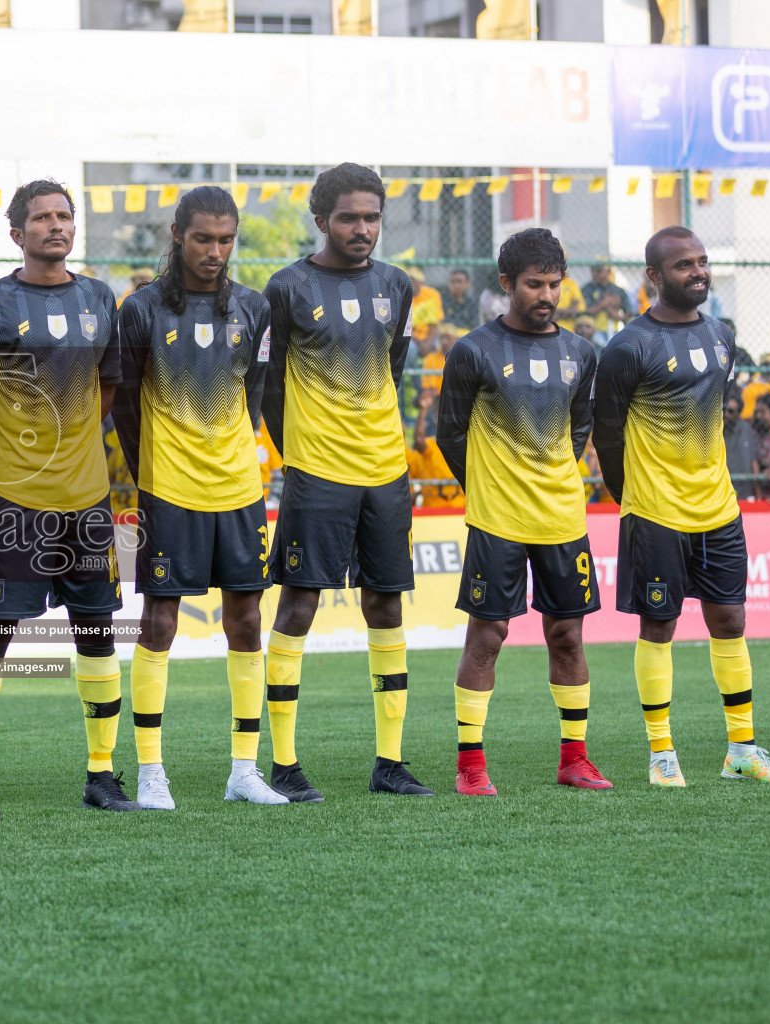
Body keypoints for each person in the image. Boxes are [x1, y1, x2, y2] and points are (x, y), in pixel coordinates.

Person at [0, 178, 135, 817]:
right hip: (15, 499)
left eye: (65, 216)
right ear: (16, 233)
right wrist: (6, 446)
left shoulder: (98, 298)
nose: (56, 226)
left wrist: (74, 440)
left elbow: (107, 387)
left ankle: (102, 775)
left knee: (96, 630)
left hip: (86, 499)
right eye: (43, 218)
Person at [262, 162, 432, 801]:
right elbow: (269, 387)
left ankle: (390, 762)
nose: (363, 229)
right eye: (349, 218)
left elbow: (392, 367)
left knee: (386, 606)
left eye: (372, 218)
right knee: (299, 606)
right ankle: (284, 762)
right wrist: (301, 452)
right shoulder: (286, 287)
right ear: (321, 220)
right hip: (318, 475)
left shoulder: (397, 284)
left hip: (387, 474)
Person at [110, 186, 281, 811]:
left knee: (247, 621)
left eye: (226, 239)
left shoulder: (254, 309)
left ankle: (244, 768)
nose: (215, 250)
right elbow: (124, 403)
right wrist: (148, 468)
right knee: (159, 622)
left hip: (238, 488)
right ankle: (152, 771)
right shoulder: (142, 309)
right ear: (177, 234)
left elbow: (255, 393)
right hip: (168, 490)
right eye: (203, 237)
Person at [593, 226, 770, 787]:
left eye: (701, 263)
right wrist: (634, 498)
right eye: (683, 266)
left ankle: (742, 749)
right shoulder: (629, 346)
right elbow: (607, 436)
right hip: (655, 513)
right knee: (660, 625)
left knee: (730, 620)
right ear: (653, 276)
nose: (697, 272)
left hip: (720, 509)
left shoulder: (723, 336)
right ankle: (661, 753)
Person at [436, 228, 610, 796]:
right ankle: (470, 764)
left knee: (568, 637)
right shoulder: (473, 350)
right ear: (507, 284)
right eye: (535, 284)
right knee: (487, 637)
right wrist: (488, 487)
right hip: (498, 521)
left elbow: (579, 427)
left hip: (563, 518)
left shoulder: (580, 352)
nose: (547, 295)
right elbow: (450, 434)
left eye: (555, 284)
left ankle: (575, 758)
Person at [406, 388, 463, 509]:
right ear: (435, 419)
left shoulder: (465, 444)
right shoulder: (432, 445)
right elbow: (419, 441)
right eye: (441, 414)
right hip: (434, 512)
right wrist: (424, 409)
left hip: (461, 512)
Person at [582, 262, 632, 335]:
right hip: (593, 331)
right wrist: (603, 304)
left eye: (599, 271)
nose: (595, 274)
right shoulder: (587, 289)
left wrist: (618, 316)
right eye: (593, 270)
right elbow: (584, 312)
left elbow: (628, 312)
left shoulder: (618, 290)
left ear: (608, 272)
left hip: (614, 329)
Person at [724, 391, 756, 500]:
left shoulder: (746, 430)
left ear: (738, 413)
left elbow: (752, 459)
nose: (726, 414)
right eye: (724, 410)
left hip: (743, 488)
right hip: (722, 487)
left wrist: (757, 490)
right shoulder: (715, 429)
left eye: (731, 411)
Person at [751, 393, 770, 501]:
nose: (758, 416)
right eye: (756, 412)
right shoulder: (757, 436)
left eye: (762, 412)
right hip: (763, 490)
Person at [406, 266, 444, 342]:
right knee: (410, 348)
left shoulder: (431, 294)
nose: (411, 283)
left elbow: (436, 323)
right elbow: (405, 328)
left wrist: (428, 343)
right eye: (409, 280)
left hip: (430, 336)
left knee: (439, 344)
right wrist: (420, 343)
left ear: (421, 282)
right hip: (411, 337)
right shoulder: (403, 295)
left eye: (414, 280)